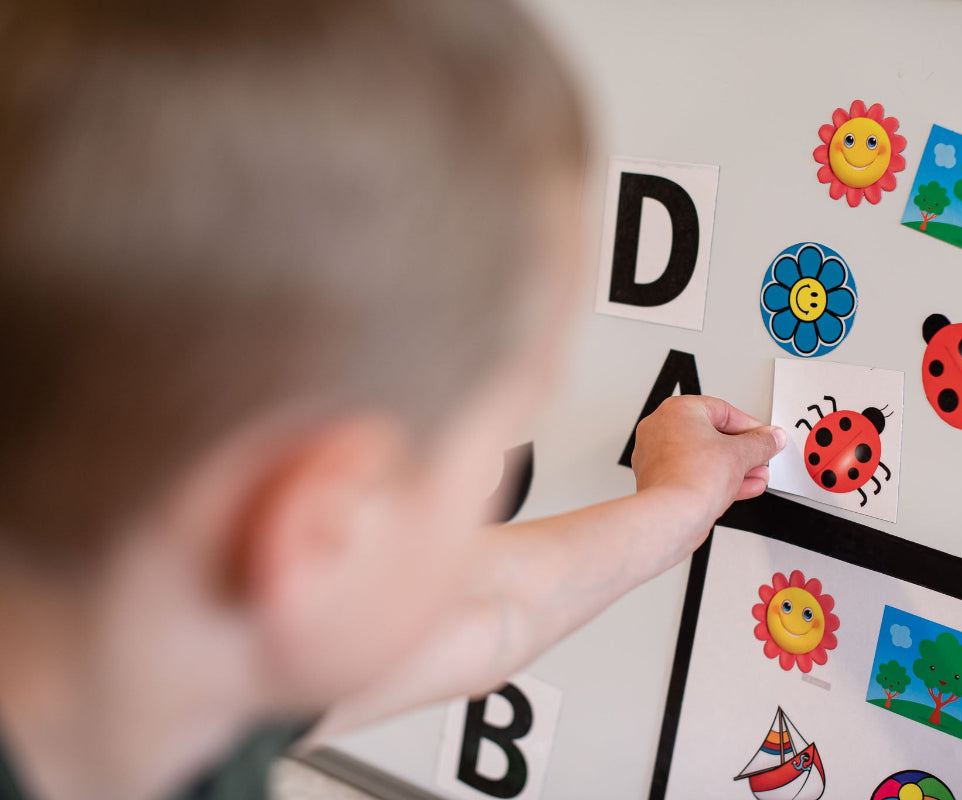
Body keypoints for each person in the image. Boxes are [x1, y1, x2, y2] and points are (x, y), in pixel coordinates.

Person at [0, 1, 785, 799]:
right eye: (502, 433)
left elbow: (496, 607)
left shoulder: (173, 665)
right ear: (321, 529)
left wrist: (673, 507)